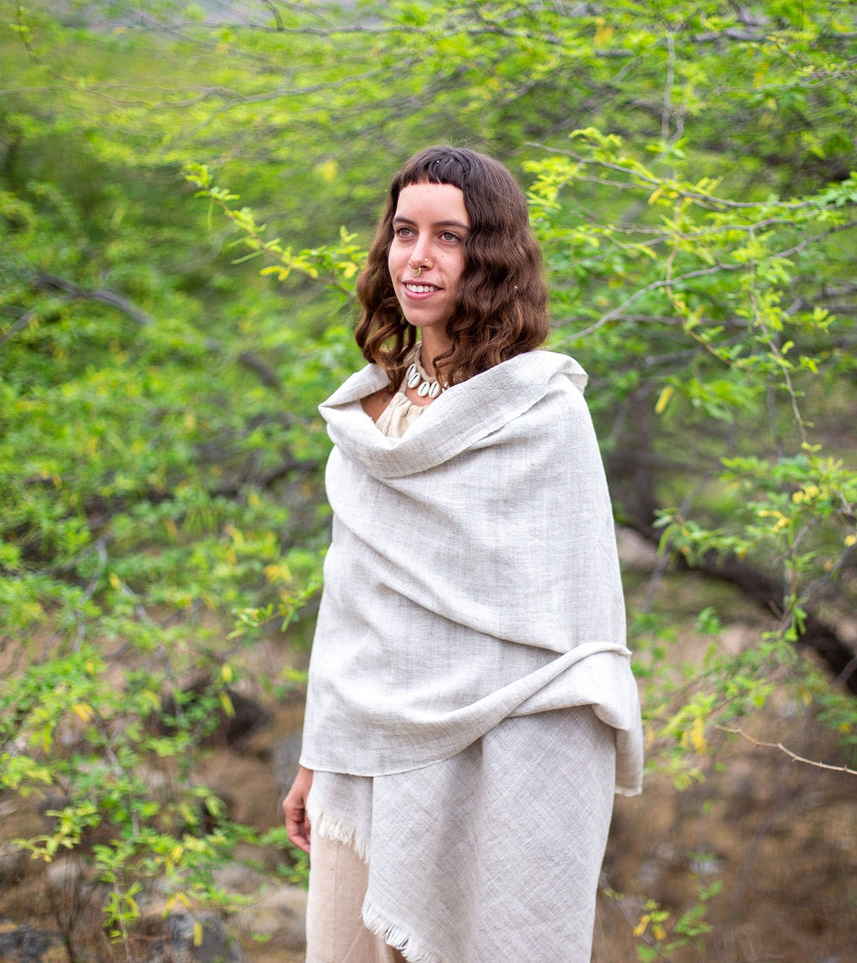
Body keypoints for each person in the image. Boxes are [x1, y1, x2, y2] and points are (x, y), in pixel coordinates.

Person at [283, 144, 643, 963]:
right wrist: (316, 753)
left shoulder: (539, 413)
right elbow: (349, 603)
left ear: (490, 257)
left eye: (449, 236)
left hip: (505, 759)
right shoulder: (368, 413)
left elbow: (575, 618)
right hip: (365, 751)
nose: (418, 256)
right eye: (404, 232)